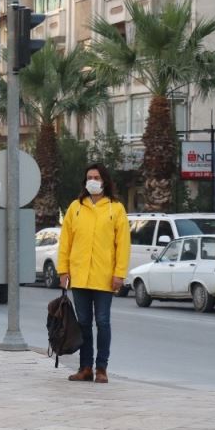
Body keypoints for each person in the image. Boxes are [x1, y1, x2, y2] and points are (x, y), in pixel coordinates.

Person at [57, 163, 131, 384]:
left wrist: (119, 274)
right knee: (83, 324)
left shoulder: (116, 208)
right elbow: (65, 242)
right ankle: (85, 367)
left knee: (103, 322)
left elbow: (123, 244)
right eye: (89, 177)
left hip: (104, 278)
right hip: (79, 277)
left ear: (104, 181)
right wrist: (63, 271)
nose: (93, 180)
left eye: (96, 177)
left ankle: (102, 368)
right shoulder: (75, 208)